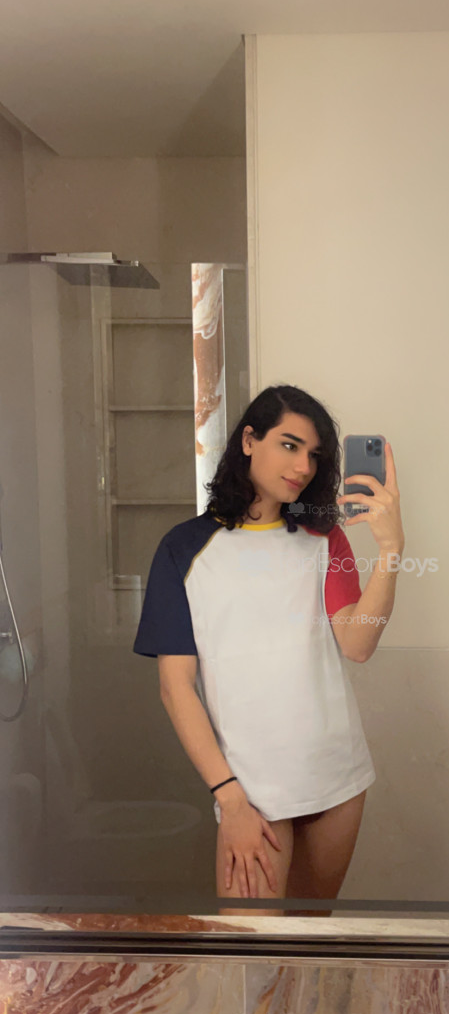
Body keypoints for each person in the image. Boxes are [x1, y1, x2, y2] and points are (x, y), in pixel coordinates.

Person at [133, 384, 404, 914]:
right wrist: (230, 797)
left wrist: (391, 550)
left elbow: (358, 642)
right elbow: (175, 688)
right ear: (249, 441)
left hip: (337, 776)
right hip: (251, 791)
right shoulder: (184, 549)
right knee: (251, 956)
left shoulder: (325, 538)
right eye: (289, 445)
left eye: (314, 455)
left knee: (309, 942)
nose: (303, 466)